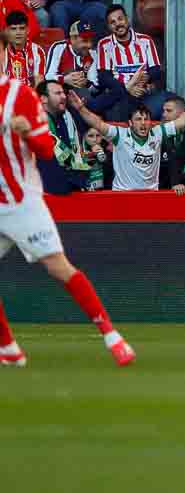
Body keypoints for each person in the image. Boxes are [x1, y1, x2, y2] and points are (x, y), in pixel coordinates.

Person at [0, 73, 135, 367]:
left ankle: (112, 337)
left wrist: (28, 134)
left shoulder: (20, 95)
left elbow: (46, 150)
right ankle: (9, 349)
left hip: (22, 202)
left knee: (59, 267)